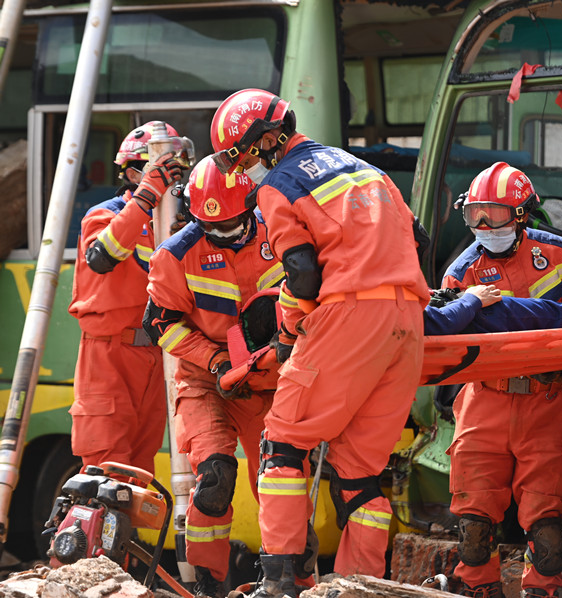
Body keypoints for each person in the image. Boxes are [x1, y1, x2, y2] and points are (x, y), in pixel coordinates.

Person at [209, 88, 430, 595]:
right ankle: (358, 586)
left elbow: (303, 276)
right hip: (407, 321)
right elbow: (417, 241)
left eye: (238, 155)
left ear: (266, 140)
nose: (240, 168)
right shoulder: (365, 170)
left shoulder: (280, 185)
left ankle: (280, 580)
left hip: (349, 315)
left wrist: (287, 330)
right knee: (358, 475)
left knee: (283, 444)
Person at [439, 162, 562, 598]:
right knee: (473, 528)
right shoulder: (460, 274)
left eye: (495, 214)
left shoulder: (560, 255)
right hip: (484, 401)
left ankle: (541, 589)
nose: (484, 225)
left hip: (545, 402)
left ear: (521, 215)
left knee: (547, 535)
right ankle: (478, 588)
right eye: (475, 215)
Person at [142, 156, 284, 598]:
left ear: (252, 204)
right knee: (215, 478)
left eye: (233, 224)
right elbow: (160, 323)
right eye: (213, 227)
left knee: (282, 479)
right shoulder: (176, 255)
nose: (225, 234)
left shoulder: (281, 231)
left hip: (269, 377)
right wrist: (215, 360)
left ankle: (291, 581)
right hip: (209, 381)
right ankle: (209, 585)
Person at [68, 122, 186, 475]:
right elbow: (103, 257)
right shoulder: (104, 215)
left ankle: (128, 534)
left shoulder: (173, 223)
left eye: (175, 171)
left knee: (140, 470)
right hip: (108, 355)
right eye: (164, 170)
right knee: (107, 468)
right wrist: (147, 194)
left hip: (155, 354)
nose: (171, 180)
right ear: (134, 172)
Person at [424, 285, 562, 336]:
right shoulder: (464, 266)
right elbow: (439, 323)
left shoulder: (556, 249)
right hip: (484, 395)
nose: (485, 224)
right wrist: (472, 300)